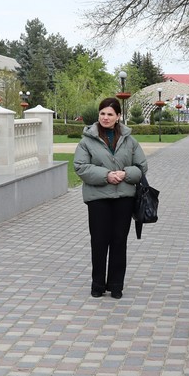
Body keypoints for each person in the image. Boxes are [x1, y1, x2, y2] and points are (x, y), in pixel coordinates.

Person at [73, 97, 149, 299]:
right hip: (98, 198)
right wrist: (106, 175)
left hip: (124, 198)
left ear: (118, 117)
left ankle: (116, 285)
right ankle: (97, 284)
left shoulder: (129, 141)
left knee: (119, 241)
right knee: (99, 241)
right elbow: (80, 166)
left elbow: (141, 166)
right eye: (102, 113)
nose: (105, 117)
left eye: (110, 114)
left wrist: (125, 173)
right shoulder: (86, 141)